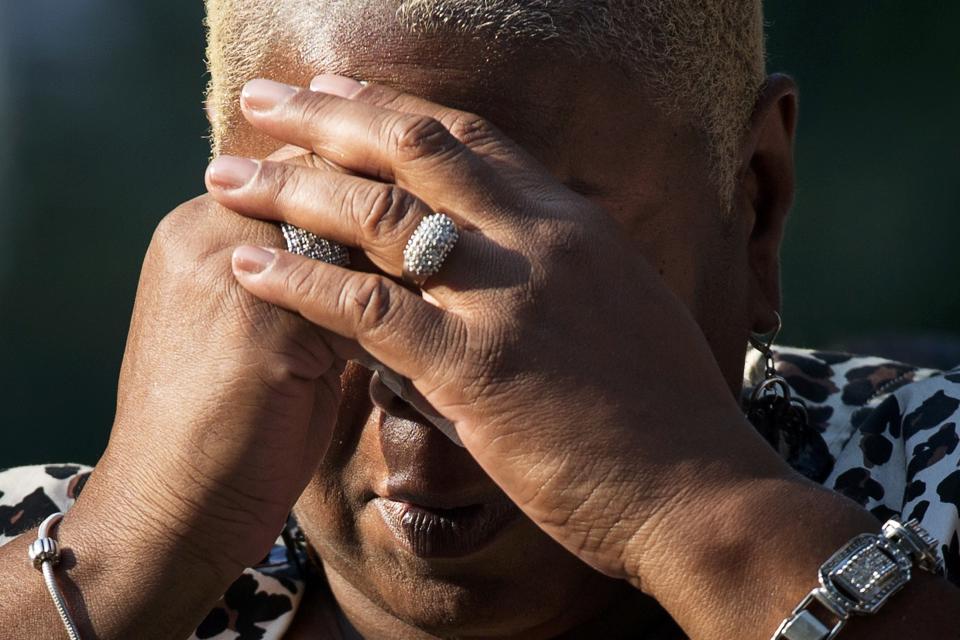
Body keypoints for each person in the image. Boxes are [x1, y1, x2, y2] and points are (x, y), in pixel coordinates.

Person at [1, 1, 958, 638]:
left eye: (536, 268)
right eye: (327, 241)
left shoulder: (930, 480)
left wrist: (693, 509)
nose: (421, 381)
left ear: (753, 203)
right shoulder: (47, 537)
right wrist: (132, 553)